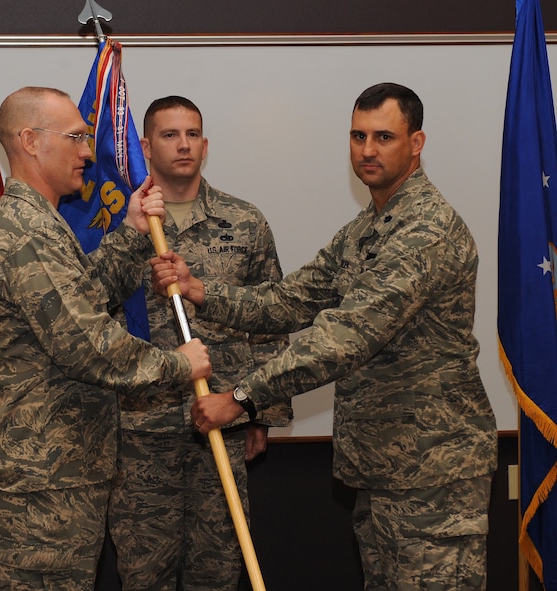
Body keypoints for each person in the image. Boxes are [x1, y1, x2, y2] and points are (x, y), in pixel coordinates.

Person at [153, 83, 498, 590]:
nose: (367, 150)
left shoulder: (426, 231)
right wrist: (202, 290)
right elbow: (292, 299)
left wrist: (242, 399)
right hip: (383, 467)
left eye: (384, 136)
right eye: (358, 136)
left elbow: (345, 336)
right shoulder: (365, 229)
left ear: (417, 142)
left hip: (433, 477)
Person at [0, 86, 212, 591]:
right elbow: (87, 344)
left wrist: (133, 232)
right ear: (31, 141)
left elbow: (83, 299)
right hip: (40, 482)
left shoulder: (41, 223)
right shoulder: (24, 231)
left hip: (59, 473)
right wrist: (180, 365)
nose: (88, 152)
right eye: (75, 137)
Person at [108, 95, 292, 591]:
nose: (183, 145)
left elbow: (271, 322)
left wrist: (261, 414)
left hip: (223, 419)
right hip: (140, 428)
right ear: (145, 146)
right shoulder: (121, 225)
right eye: (169, 135)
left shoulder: (245, 221)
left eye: (192, 134)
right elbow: (91, 318)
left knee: (218, 568)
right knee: (144, 574)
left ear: (205, 145)